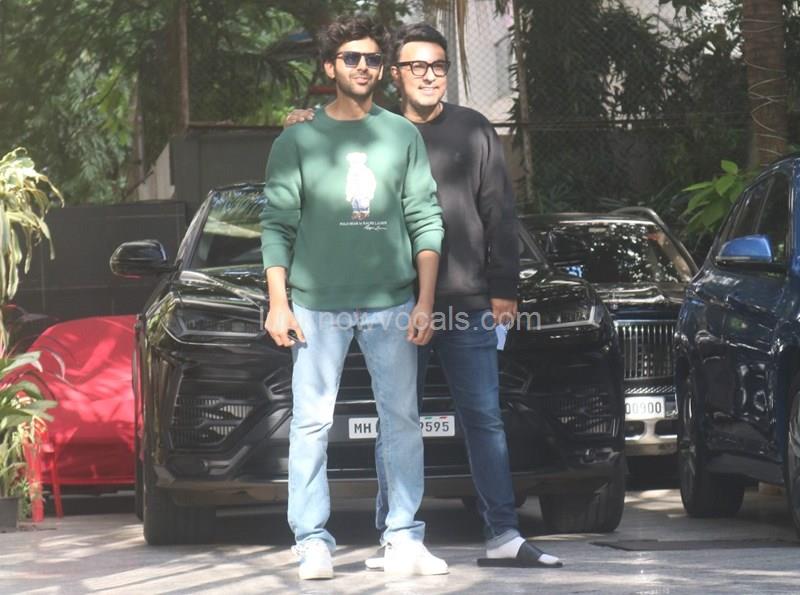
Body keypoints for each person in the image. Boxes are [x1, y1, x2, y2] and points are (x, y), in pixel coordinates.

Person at [285, 22, 562, 569]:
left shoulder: (473, 129)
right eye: (417, 66)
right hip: (394, 306)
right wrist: (304, 120)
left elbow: (500, 211)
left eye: (438, 66)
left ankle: (503, 533)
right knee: (396, 419)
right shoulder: (374, 132)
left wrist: (504, 289)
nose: (429, 76)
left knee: (484, 417)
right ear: (395, 74)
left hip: (465, 303)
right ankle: (394, 536)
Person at [261, 15, 448, 580]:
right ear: (330, 66)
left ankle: (403, 537)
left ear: (382, 69)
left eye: (371, 58)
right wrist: (278, 303)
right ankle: (312, 541)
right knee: (311, 424)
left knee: (402, 421)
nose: (362, 66)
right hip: (315, 304)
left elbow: (425, 219)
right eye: (350, 58)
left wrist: (424, 301)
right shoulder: (298, 139)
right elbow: (277, 226)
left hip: (393, 302)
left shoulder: (402, 135)